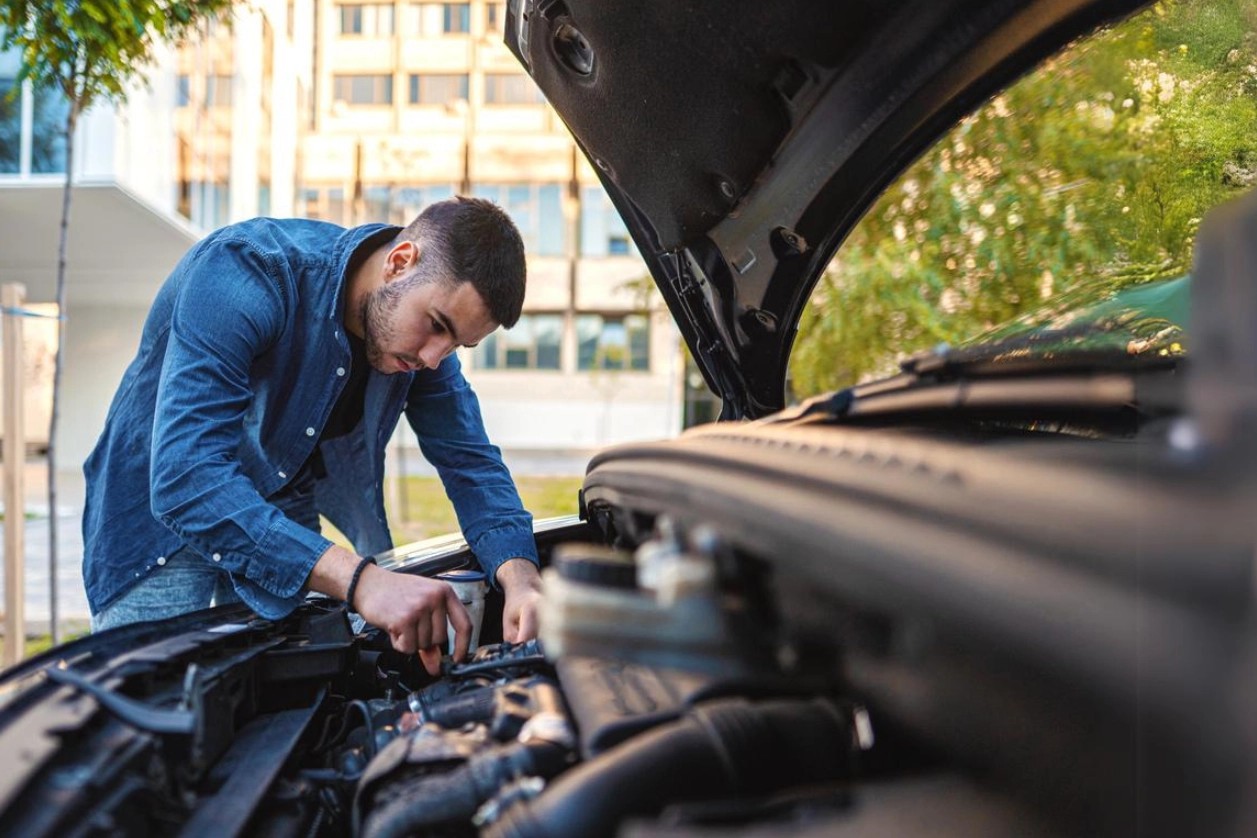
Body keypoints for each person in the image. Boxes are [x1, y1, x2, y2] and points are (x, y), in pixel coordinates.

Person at [82, 196, 543, 674]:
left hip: (279, 512)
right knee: (155, 722)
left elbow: (470, 462)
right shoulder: (246, 271)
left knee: (282, 713)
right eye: (437, 326)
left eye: (457, 345)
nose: (434, 358)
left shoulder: (423, 346)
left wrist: (522, 578)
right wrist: (364, 581)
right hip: (159, 533)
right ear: (400, 262)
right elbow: (186, 478)